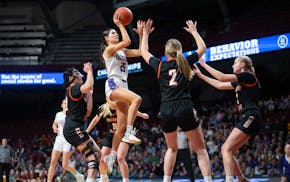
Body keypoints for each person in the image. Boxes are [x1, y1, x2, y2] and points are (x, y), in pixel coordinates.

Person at [141, 19, 212, 182]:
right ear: (179, 51)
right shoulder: (185, 62)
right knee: (200, 149)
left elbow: (144, 52)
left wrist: (145, 34)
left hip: (166, 110)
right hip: (184, 107)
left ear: (166, 53)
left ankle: (166, 180)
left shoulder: (159, 65)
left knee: (171, 149)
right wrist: (194, 32)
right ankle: (208, 180)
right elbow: (202, 48)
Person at [194, 55, 261, 182]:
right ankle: (241, 179)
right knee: (229, 150)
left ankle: (230, 180)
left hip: (251, 116)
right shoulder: (240, 81)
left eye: (235, 63)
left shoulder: (248, 76)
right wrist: (201, 76)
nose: (232, 65)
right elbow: (219, 85)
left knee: (225, 149)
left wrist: (204, 65)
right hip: (249, 117)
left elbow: (222, 77)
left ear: (243, 65)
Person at [100, 13, 144, 173]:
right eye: (112, 33)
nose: (116, 34)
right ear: (106, 38)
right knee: (137, 99)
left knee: (120, 127)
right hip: (113, 82)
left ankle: (111, 156)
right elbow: (127, 40)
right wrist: (120, 24)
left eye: (116, 32)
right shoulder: (109, 50)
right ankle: (130, 133)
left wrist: (142, 35)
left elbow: (141, 51)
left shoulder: (122, 51)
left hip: (123, 85)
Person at [86, 100, 149, 182]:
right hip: (111, 136)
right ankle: (104, 177)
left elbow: (133, 111)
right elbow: (95, 120)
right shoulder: (104, 108)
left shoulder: (122, 106)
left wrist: (142, 115)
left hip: (123, 135)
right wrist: (87, 131)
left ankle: (126, 180)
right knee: (101, 158)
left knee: (120, 158)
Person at [63, 62, 101, 182]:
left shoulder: (76, 92)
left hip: (75, 128)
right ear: (71, 78)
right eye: (76, 73)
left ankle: (98, 178)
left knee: (98, 154)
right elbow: (88, 85)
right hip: (73, 128)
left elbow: (88, 113)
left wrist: (90, 94)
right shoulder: (74, 89)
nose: (80, 74)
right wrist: (90, 71)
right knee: (92, 157)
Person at [47, 99, 84, 182]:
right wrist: (54, 128)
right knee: (53, 162)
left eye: (67, 104)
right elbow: (54, 124)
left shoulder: (72, 115)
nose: (66, 105)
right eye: (64, 103)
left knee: (64, 165)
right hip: (59, 138)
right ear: (61, 105)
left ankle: (78, 175)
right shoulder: (58, 114)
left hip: (68, 139)